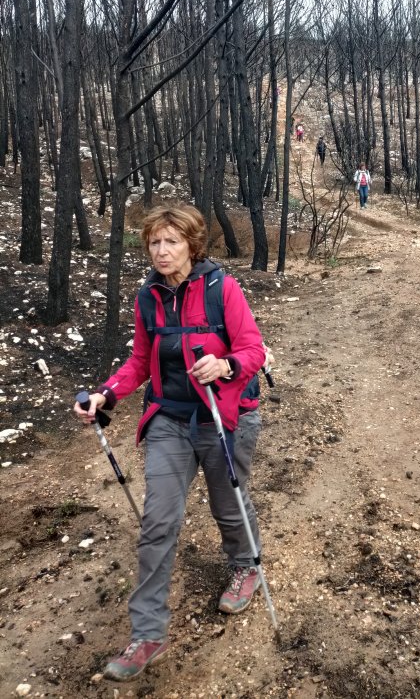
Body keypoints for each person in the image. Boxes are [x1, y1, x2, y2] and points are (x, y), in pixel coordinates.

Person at [73, 203, 267, 682]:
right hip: (170, 419)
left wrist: (225, 365)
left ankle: (245, 566)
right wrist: (105, 394)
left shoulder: (222, 289)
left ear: (191, 245)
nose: (161, 251)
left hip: (224, 416)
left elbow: (253, 349)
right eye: (155, 242)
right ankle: (147, 633)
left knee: (228, 504)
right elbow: (141, 361)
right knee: (158, 521)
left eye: (171, 241)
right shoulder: (148, 298)